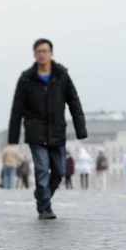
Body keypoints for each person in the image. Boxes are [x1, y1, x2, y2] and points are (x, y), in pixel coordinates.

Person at [8, 39, 87, 219]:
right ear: (34, 55)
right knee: (42, 168)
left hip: (57, 130)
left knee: (60, 170)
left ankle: (42, 194)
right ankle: (44, 207)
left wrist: (80, 129)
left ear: (51, 53)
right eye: (38, 51)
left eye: (45, 51)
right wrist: (13, 138)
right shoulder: (26, 78)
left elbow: (74, 101)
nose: (42, 54)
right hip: (35, 132)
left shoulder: (62, 76)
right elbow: (17, 108)